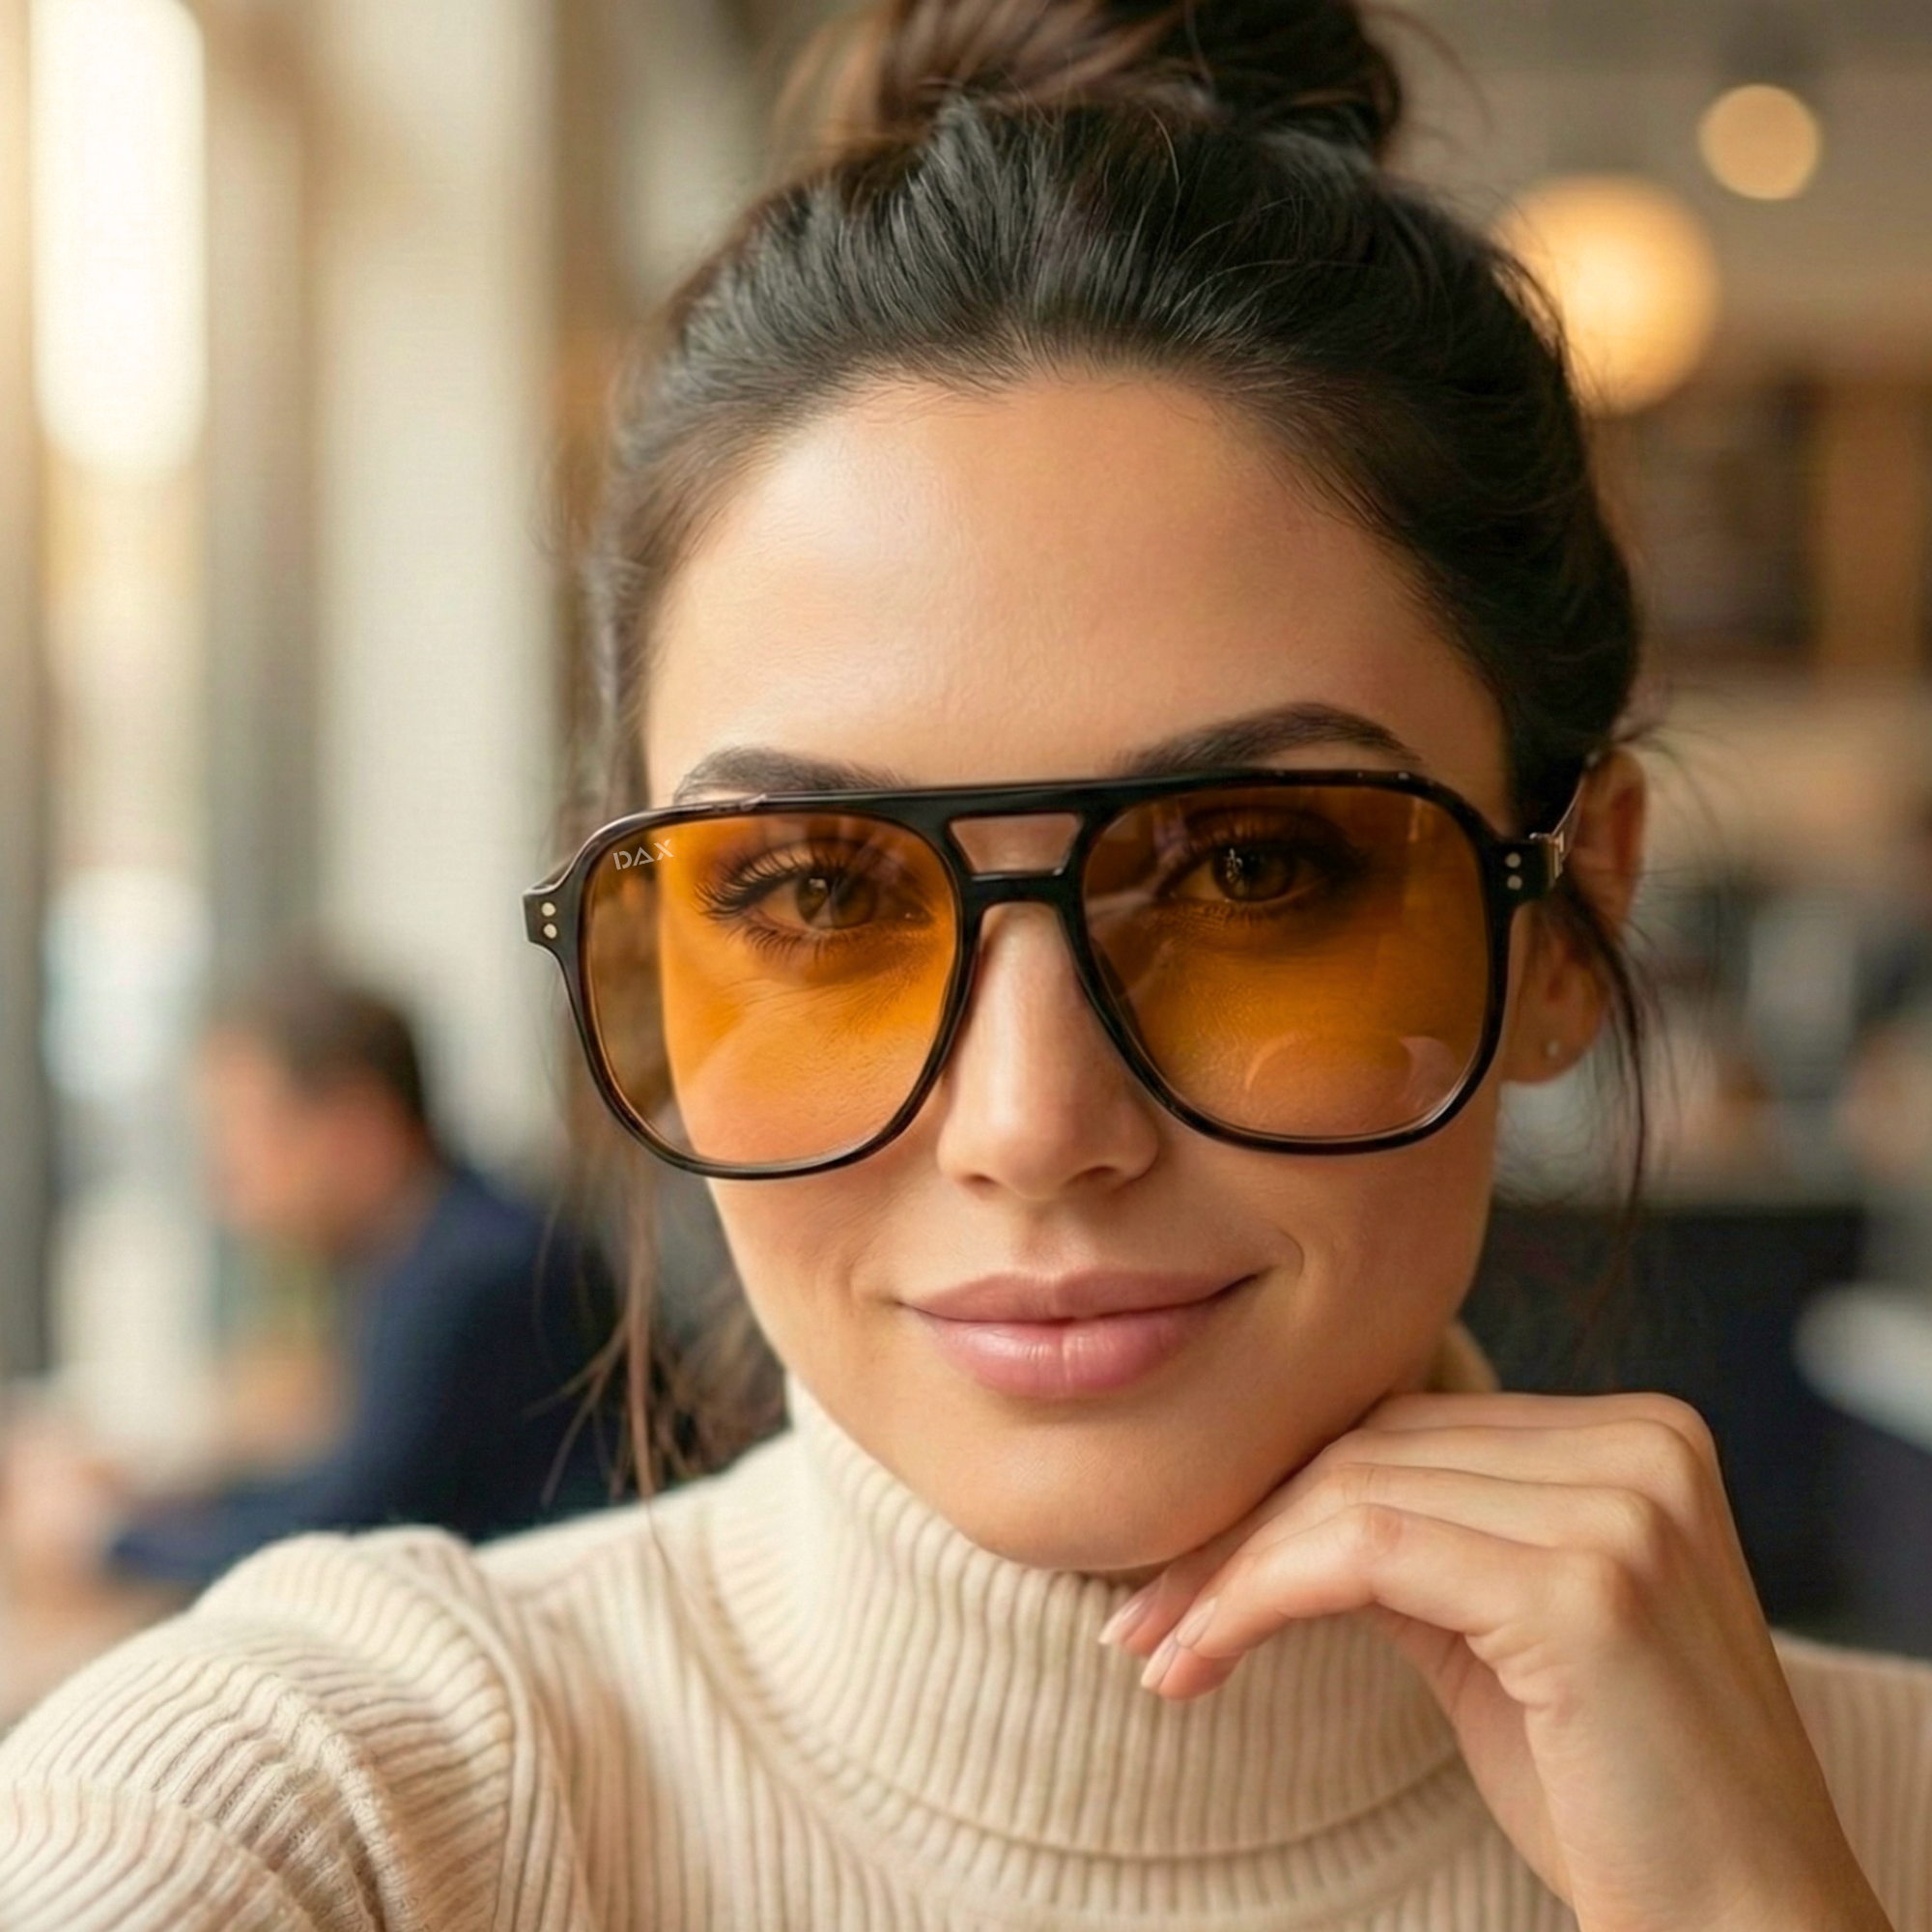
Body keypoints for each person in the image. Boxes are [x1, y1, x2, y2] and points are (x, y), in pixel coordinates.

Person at [1, 2, 1927, 1926]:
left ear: (1565, 916)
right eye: (820, 894)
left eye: (1253, 868)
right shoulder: (349, 1807)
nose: (1030, 1122)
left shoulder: (1866, 1832)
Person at [12, 963, 625, 1595]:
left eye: (244, 1131)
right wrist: (148, 1498)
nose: (224, 1178)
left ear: (353, 1126)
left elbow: (342, 1530)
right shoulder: (428, 1245)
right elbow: (341, 1482)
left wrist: (108, 1541)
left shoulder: (475, 1278)